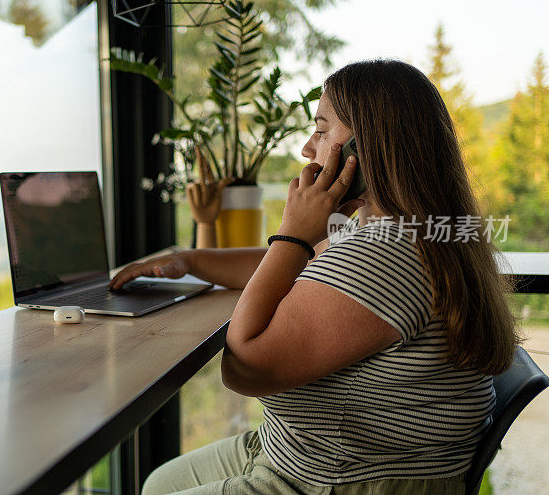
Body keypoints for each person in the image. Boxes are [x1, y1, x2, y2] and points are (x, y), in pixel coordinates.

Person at [109, 59, 522, 495]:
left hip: (341, 478)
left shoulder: (386, 254)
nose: (308, 149)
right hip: (306, 452)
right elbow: (293, 263)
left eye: (322, 131)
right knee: (157, 484)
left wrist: (293, 231)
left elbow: (247, 366)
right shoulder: (404, 227)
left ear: (365, 150)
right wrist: (189, 260)